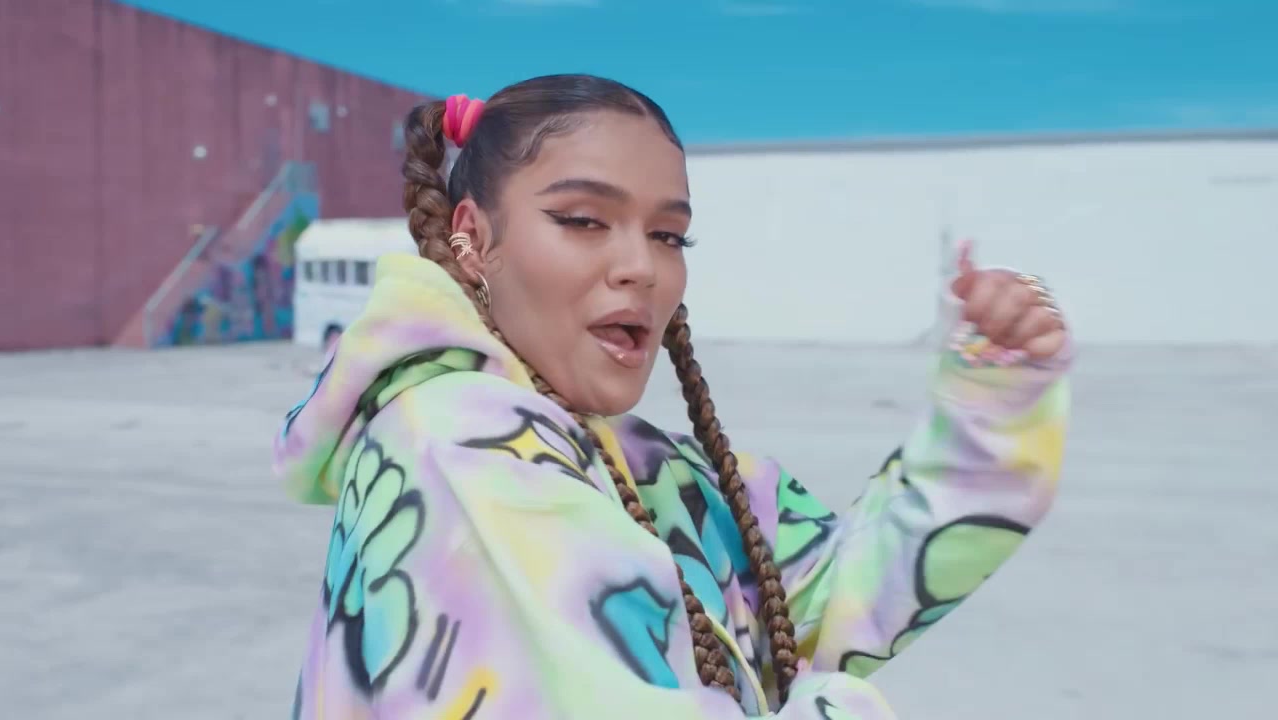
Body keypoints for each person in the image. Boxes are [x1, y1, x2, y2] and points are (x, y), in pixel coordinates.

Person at [274, 74, 1073, 719]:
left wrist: (994, 391)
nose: (642, 267)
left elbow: (834, 597)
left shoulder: (648, 463)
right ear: (473, 237)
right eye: (583, 219)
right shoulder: (457, 455)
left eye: (668, 234)